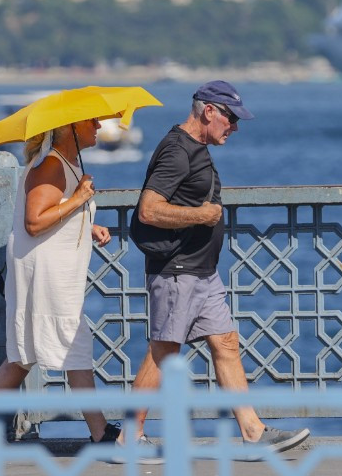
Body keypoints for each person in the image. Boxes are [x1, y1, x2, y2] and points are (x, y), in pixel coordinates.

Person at [126, 80, 310, 454]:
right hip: (178, 271)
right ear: (209, 110)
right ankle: (129, 435)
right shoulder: (177, 151)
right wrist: (201, 215)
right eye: (230, 118)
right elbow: (147, 209)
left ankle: (253, 431)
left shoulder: (196, 148)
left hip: (202, 271)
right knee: (164, 351)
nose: (235, 127)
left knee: (225, 343)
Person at [0, 117, 120, 447]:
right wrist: (80, 199)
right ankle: (100, 432)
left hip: (50, 268)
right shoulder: (51, 164)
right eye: (91, 122)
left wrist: (87, 223)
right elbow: (35, 222)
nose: (97, 127)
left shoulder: (67, 163)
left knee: (24, 352)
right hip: (46, 272)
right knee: (73, 343)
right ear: (70, 128)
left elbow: (54, 210)